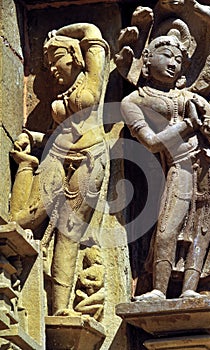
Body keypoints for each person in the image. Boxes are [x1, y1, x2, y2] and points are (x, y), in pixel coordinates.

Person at [120, 20, 210, 300]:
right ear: (146, 60)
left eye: (179, 59)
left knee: (202, 228)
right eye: (166, 56)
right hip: (178, 165)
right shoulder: (134, 101)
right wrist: (187, 125)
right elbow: (152, 142)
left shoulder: (188, 97)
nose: (173, 63)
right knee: (169, 226)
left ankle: (190, 289)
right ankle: (159, 288)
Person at [10, 23, 110, 314]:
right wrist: (31, 138)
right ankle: (26, 167)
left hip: (90, 157)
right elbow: (57, 135)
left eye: (57, 59)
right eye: (48, 64)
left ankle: (59, 310)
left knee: (69, 231)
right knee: (22, 219)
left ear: (75, 57)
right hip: (55, 153)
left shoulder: (92, 81)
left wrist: (60, 31)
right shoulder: (61, 95)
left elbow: (93, 31)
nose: (53, 68)